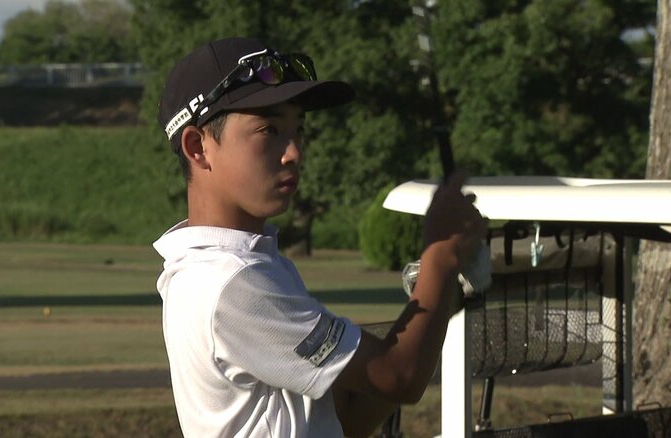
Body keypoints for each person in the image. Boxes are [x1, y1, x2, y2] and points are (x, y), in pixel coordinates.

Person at [153, 37, 487, 437]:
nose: (294, 152)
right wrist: (440, 256)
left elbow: (346, 417)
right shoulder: (230, 282)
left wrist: (441, 295)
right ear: (198, 147)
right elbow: (399, 375)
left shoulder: (240, 267)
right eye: (269, 129)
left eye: (299, 129)